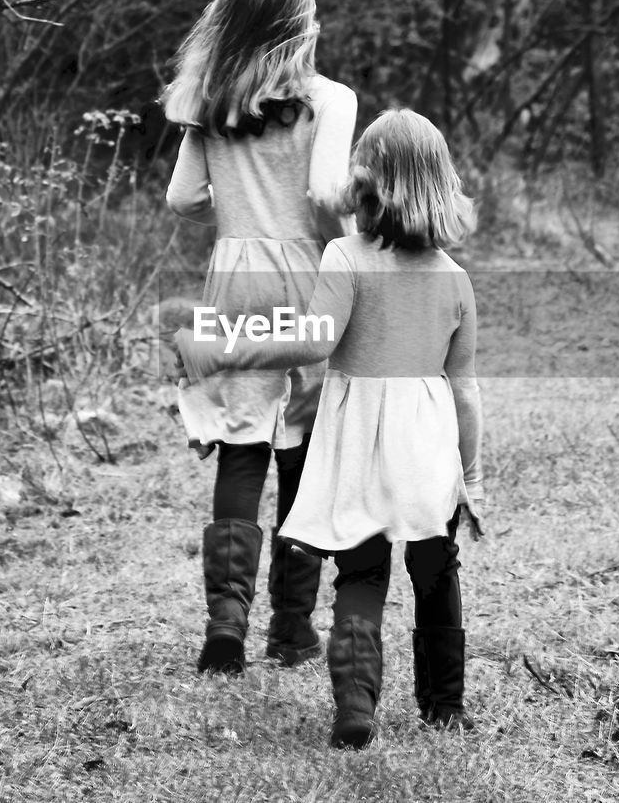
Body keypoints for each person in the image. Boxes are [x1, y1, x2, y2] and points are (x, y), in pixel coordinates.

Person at [176, 109, 485, 749]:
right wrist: (471, 474)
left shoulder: (345, 256)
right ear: (442, 184)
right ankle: (444, 706)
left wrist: (220, 345)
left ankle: (355, 707)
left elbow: (308, 342)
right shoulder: (456, 281)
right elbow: (465, 390)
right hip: (426, 450)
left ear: (363, 185)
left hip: (357, 447)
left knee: (362, 575)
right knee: (437, 574)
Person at [163, 0, 357, 675]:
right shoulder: (330, 100)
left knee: (241, 443)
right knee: (304, 444)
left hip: (232, 281)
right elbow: (329, 194)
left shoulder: (210, 105)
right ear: (300, 26)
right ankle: (292, 629)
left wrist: (235, 201)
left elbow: (182, 199)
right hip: (308, 279)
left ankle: (226, 619)